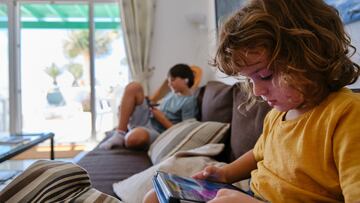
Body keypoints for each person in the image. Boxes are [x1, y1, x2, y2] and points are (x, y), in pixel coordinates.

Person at [143, 0, 360, 202]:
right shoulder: (277, 115)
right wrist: (226, 173)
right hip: (252, 193)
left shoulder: (347, 115)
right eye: (249, 79)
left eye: (265, 75)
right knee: (155, 196)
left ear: (311, 55)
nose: (256, 91)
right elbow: (258, 153)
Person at [100, 63, 198, 150]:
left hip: (158, 131)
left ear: (186, 80)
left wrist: (162, 119)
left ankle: (127, 132)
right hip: (148, 118)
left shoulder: (189, 101)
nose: (169, 84)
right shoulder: (172, 94)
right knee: (134, 87)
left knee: (133, 139)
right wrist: (149, 103)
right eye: (168, 81)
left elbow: (185, 132)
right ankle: (120, 134)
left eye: (172, 80)